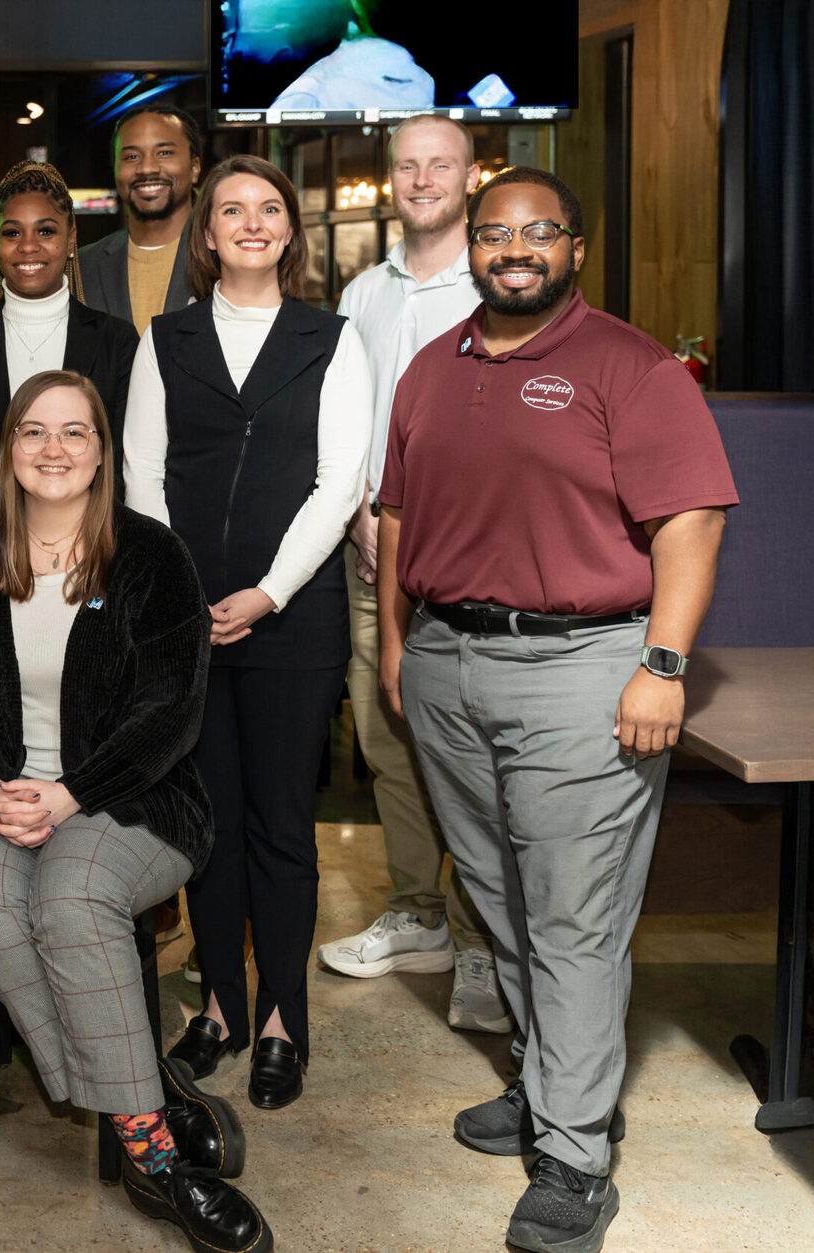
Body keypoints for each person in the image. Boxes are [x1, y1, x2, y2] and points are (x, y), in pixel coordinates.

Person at [379, 167, 735, 1253]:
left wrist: (662, 664)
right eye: (496, 233)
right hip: (447, 659)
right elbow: (396, 514)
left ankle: (576, 1154)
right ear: (471, 248)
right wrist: (396, 645)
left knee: (574, 914)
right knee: (499, 897)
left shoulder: (631, 366)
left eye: (541, 231)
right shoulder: (431, 369)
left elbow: (692, 520)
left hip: (582, 667)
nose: (516, 249)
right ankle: (551, 1084)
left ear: (576, 248)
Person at [0, 371, 272, 1252]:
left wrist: (72, 793)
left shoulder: (152, 557)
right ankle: (145, 1089)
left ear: (102, 451)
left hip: (132, 793)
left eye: (75, 431)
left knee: (71, 896)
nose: (54, 449)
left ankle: (153, 1159)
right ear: (8, 447)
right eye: (34, 431)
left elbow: (171, 711)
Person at [123, 155, 371, 1110]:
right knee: (209, 824)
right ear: (209, 233)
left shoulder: (331, 339)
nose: (253, 222)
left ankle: (282, 1020)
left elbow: (340, 482)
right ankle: (223, 1005)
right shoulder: (167, 339)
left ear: (290, 232)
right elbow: (142, 475)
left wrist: (267, 591)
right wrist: (181, 590)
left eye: (270, 208)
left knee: (281, 824)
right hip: (186, 620)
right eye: (233, 209)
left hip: (292, 620)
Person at [315, 115, 507, 1032]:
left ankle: (481, 943)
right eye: (407, 165)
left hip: (470, 568)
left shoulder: (498, 284)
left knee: (471, 760)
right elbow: (346, 422)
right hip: (370, 561)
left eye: (441, 165)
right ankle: (418, 913)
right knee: (388, 746)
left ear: (470, 177)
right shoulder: (363, 293)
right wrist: (357, 511)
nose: (422, 179)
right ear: (390, 177)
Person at [0, 160, 139, 540]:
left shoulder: (117, 342)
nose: (27, 246)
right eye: (12, 232)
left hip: (89, 551)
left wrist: (74, 545)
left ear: (71, 240)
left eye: (45, 231)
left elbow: (122, 468)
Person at [78, 105, 204, 334]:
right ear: (115, 170)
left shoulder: (223, 258)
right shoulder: (81, 267)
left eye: (164, 153)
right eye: (132, 157)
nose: (147, 168)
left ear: (194, 167)